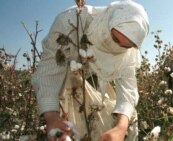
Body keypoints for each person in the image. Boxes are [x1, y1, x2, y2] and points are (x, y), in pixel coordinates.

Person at [31, 0, 149, 141]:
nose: (116, 47)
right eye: (115, 38)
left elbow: (128, 88)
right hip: (66, 83)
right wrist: (51, 117)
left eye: (125, 46)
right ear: (108, 23)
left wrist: (121, 128)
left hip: (97, 84)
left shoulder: (129, 53)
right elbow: (50, 69)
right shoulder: (70, 21)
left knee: (128, 121)